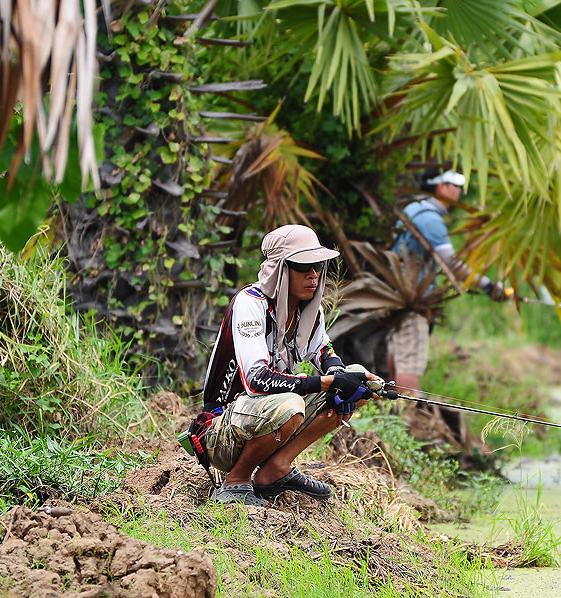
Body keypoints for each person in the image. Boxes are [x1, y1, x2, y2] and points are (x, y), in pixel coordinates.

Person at [193, 224, 381, 506]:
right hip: (221, 431)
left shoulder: (308, 308)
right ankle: (236, 481)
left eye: (317, 265)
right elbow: (256, 381)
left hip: (263, 418)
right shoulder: (250, 303)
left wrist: (342, 376)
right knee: (291, 404)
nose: (313, 275)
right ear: (280, 269)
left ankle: (274, 470)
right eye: (303, 266)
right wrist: (325, 382)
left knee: (357, 384)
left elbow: (324, 352)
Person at [389, 169, 510, 393]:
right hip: (413, 299)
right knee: (410, 359)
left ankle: (394, 413)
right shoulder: (430, 218)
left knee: (398, 352)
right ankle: (405, 416)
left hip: (394, 292)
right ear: (442, 187)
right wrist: (488, 286)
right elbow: (451, 264)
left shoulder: (413, 208)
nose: (459, 192)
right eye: (456, 186)